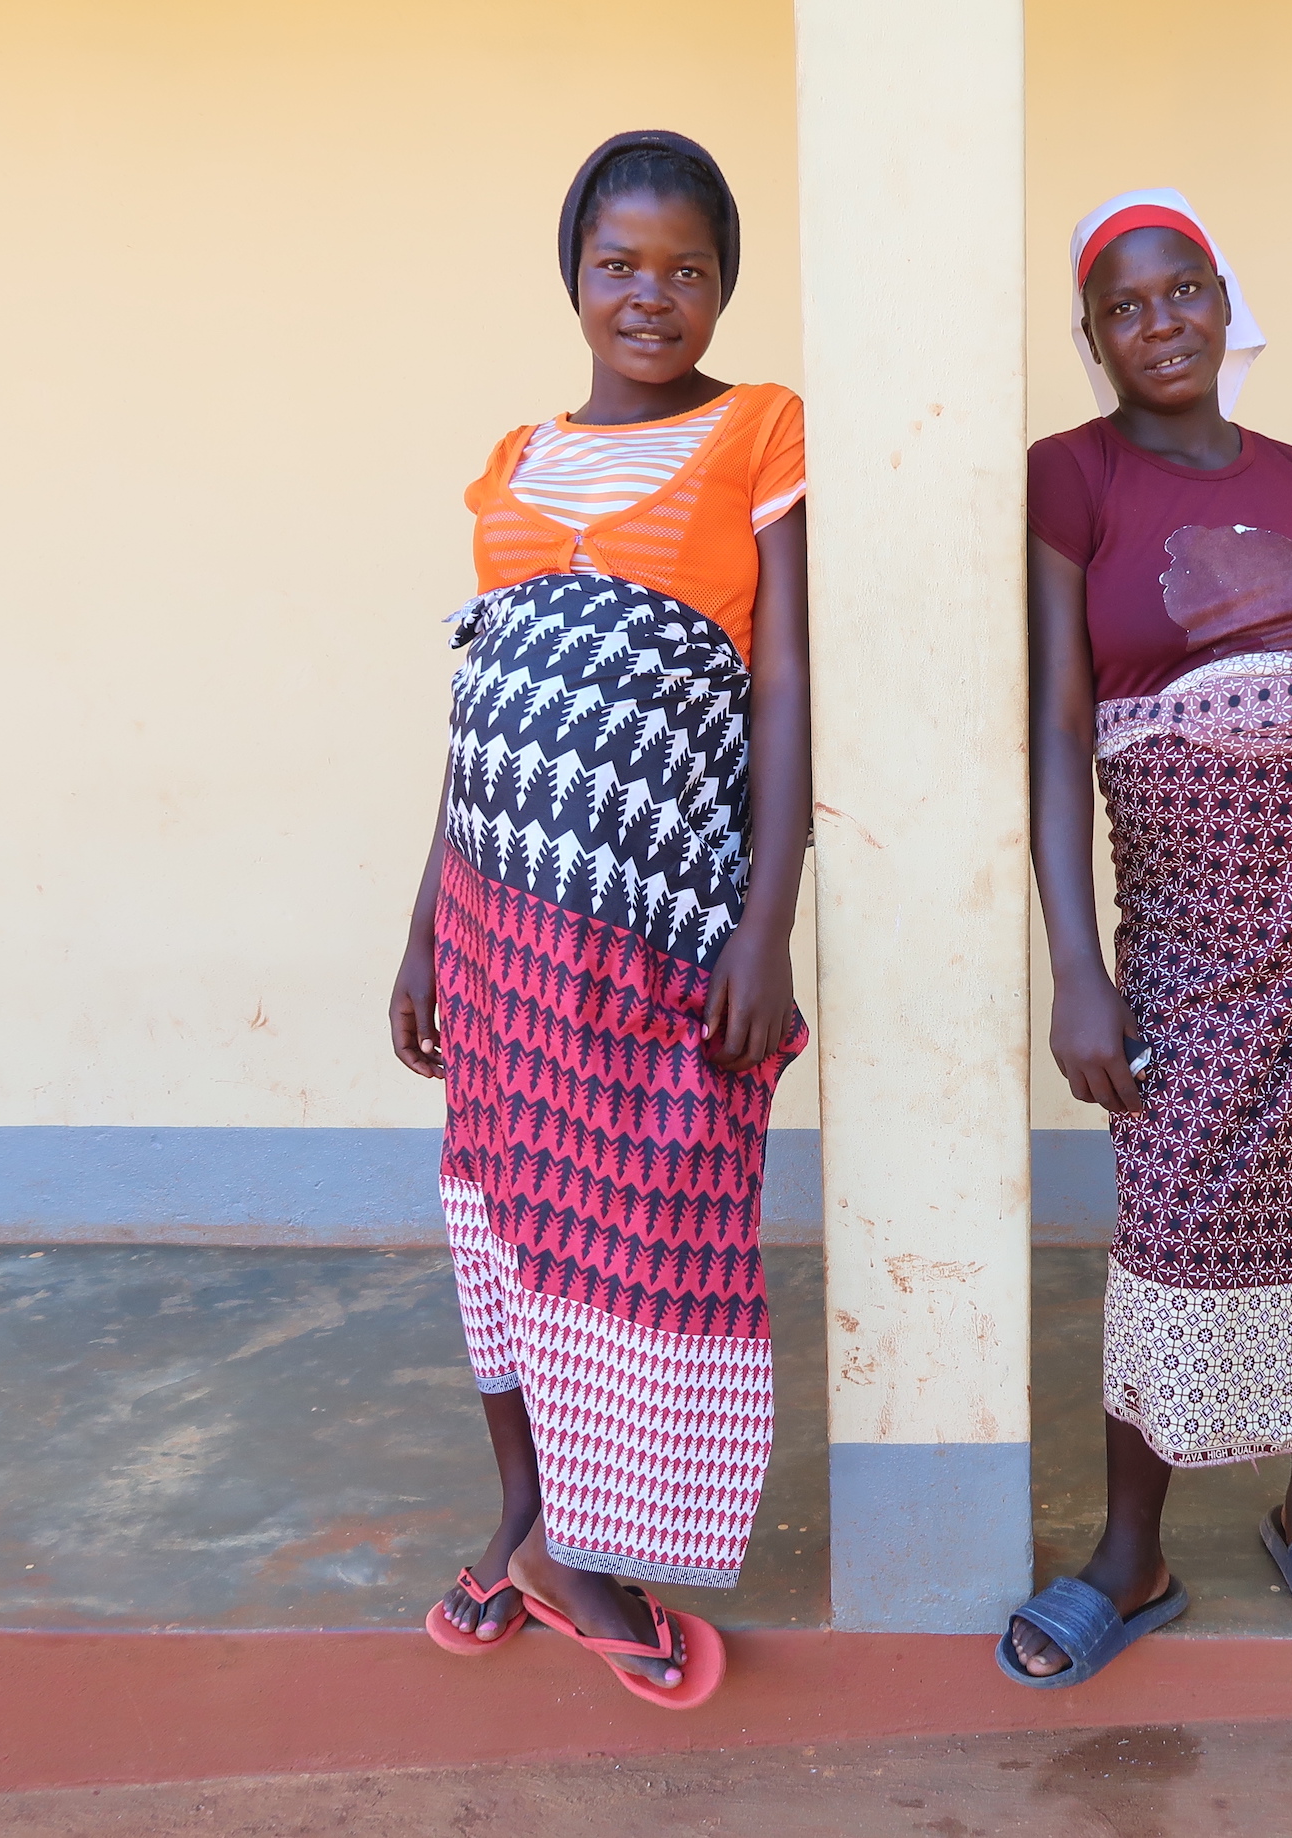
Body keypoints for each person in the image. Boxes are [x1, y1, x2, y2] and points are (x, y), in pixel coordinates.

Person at [1001, 189, 1292, 1687]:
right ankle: (1131, 1553)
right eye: (1124, 307)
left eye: (1181, 291)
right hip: (1191, 926)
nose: (1160, 324)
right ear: (1094, 340)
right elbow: (1059, 727)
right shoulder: (1069, 480)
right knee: (1177, 1213)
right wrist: (1076, 963)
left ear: (1220, 297)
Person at [387, 130, 810, 1709]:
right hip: (497, 922)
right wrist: (427, 926)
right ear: (574, 274)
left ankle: (592, 1542)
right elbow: (476, 708)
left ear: (722, 286)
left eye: (684, 269)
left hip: (649, 929)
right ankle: (527, 1518)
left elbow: (782, 683)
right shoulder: (511, 458)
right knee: (501, 1215)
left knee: (639, 1224)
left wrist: (764, 930)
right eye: (618, 263)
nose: (651, 295)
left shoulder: (760, 430)